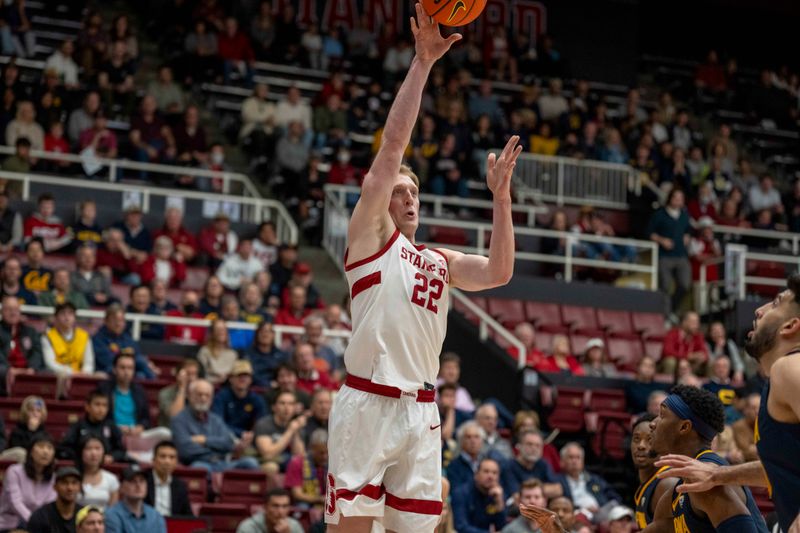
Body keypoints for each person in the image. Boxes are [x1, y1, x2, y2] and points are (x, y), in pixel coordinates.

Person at [326, 8, 518, 530]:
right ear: (380, 201)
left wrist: (500, 200)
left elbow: (500, 271)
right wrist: (423, 63)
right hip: (368, 402)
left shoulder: (438, 259)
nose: (409, 198)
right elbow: (392, 150)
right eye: (400, 191)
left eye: (415, 192)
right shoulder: (368, 240)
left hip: (422, 412)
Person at [656, 275, 800, 533]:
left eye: (776, 304)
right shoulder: (778, 381)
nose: (759, 309)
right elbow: (781, 469)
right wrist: (717, 474)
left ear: (790, 326)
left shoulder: (789, 367)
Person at [646, 385, 768, 533]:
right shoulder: (674, 495)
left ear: (684, 427)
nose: (652, 423)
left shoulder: (706, 484)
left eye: (662, 415)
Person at [170, 379, 259, 472]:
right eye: (199, 394)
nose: (203, 398)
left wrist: (204, 440)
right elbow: (185, 450)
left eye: (207, 395)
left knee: (250, 463)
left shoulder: (216, 419)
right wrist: (215, 450)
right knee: (200, 468)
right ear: (189, 396)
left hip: (222, 463)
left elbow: (228, 443)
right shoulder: (179, 420)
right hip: (198, 462)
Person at [647, 188, 692, 314]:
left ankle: (672, 307)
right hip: (664, 256)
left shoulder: (684, 215)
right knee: (665, 286)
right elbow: (649, 233)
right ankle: (665, 315)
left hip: (681, 256)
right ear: (670, 198)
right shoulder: (659, 214)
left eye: (681, 198)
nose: (678, 201)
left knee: (685, 285)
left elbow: (689, 229)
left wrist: (687, 236)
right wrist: (662, 240)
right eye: (676, 198)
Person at [0, 434, 57, 530]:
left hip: (38, 526)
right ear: (31, 451)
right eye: (41, 446)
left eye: (49, 448)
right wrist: (35, 521)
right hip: (10, 524)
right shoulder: (14, 471)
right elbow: (15, 503)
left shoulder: (52, 477)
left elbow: (50, 506)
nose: (45, 452)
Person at [58, 390, 128, 463]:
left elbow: (121, 450)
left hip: (105, 466)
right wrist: (81, 456)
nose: (101, 409)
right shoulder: (78, 426)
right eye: (97, 404)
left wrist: (112, 457)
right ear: (87, 407)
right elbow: (64, 448)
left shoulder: (111, 426)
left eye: (105, 405)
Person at [631, 414, 676, 528]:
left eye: (649, 440)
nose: (641, 446)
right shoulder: (646, 484)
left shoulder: (666, 484)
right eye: (636, 439)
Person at [552, 442, 621, 517]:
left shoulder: (594, 479)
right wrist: (584, 509)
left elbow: (614, 496)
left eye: (578, 457)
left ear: (583, 462)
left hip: (602, 515)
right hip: (576, 517)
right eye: (571, 457)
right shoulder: (556, 481)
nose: (574, 461)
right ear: (562, 461)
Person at [254, 390, 307, 473]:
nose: (286, 407)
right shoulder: (264, 424)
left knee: (303, 465)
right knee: (271, 467)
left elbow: (299, 456)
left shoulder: (296, 425)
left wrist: (295, 432)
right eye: (282, 403)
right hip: (265, 462)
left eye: (291, 404)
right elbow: (268, 455)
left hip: (287, 461)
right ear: (274, 407)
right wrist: (290, 431)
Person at [211, 359, 266, 438]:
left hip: (249, 439)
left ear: (251, 379)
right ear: (231, 379)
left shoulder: (256, 399)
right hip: (225, 436)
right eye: (239, 375)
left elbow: (262, 422)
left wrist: (251, 435)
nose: (243, 379)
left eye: (246, 376)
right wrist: (241, 433)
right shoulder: (221, 397)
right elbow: (217, 423)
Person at [0, 294, 44, 393]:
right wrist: (9, 369)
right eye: (9, 309)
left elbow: (37, 352)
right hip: (6, 371)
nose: (13, 313)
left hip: (28, 369)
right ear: (1, 312)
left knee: (49, 374)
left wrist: (32, 368)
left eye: (16, 309)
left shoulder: (30, 331)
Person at [105, 465, 167, 533]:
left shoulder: (156, 516)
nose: (138, 485)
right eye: (132, 481)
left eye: (142, 481)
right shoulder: (111, 515)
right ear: (121, 487)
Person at [451, 458, 507, 533]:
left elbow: (502, 527)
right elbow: (461, 527)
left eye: (494, 473)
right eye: (486, 471)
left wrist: (499, 504)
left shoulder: (497, 494)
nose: (490, 476)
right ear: (476, 474)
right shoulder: (461, 493)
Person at [501, 429, 558, 502]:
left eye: (537, 445)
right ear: (519, 446)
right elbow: (517, 496)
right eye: (529, 444)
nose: (534, 448)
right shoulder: (509, 466)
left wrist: (530, 491)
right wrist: (541, 492)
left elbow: (558, 489)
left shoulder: (543, 464)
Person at [42, 302, 96, 376]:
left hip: (81, 377)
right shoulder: (47, 336)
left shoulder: (84, 336)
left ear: (75, 318)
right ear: (56, 318)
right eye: (62, 314)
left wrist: (85, 372)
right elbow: (50, 363)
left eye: (70, 314)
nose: (67, 317)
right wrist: (71, 372)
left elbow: (89, 363)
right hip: (57, 377)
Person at [26, 466, 82, 533]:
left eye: (74, 483)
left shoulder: (86, 515)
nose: (70, 488)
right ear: (55, 487)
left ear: (80, 487)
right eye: (64, 482)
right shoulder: (40, 516)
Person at [144, 441, 193, 517]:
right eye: (163, 456)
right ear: (153, 460)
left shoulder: (180, 486)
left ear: (176, 462)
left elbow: (188, 517)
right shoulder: (143, 481)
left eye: (172, 457)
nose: (167, 461)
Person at [284, 428, 328, 507]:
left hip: (328, 502)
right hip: (307, 502)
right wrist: (321, 499)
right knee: (302, 506)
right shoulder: (297, 462)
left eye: (327, 453)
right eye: (321, 453)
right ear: (312, 448)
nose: (325, 457)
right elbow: (297, 494)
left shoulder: (333, 463)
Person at [661, 311, 710, 376]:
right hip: (676, 363)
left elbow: (705, 353)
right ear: (684, 322)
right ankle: (668, 385)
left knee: (710, 363)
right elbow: (667, 351)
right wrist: (688, 356)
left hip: (691, 365)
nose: (696, 325)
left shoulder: (698, 336)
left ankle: (708, 385)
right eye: (693, 322)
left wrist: (702, 357)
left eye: (697, 322)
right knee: (670, 361)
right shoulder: (672, 333)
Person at [77, 436, 119, 510]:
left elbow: (113, 510)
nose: (93, 453)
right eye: (88, 448)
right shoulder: (74, 477)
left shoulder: (111, 479)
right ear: (81, 452)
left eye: (97, 448)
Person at [235, 488, 303, 533]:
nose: (280, 512)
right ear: (265, 508)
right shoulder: (248, 527)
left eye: (285, 506)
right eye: (275, 506)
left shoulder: (294, 526)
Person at [157, 358, 200, 428]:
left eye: (194, 374)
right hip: (170, 432)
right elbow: (175, 417)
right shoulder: (165, 393)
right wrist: (182, 388)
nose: (192, 378)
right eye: (188, 374)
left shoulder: (200, 394)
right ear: (178, 375)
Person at [242, 321, 288, 387]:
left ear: (273, 335)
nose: (265, 334)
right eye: (262, 331)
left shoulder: (281, 355)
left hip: (276, 390)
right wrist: (267, 384)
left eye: (268, 331)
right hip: (252, 389)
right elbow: (247, 374)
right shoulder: (247, 354)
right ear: (257, 334)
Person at [196, 319, 238, 385]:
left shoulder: (233, 354)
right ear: (212, 333)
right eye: (218, 329)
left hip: (228, 387)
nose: (221, 332)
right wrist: (217, 380)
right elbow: (202, 375)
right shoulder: (204, 351)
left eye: (223, 329)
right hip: (208, 385)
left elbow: (235, 376)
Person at [731, 393, 760, 462]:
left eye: (760, 407)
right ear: (746, 410)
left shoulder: (765, 425)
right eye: (753, 408)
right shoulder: (739, 426)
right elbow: (746, 451)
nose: (757, 411)